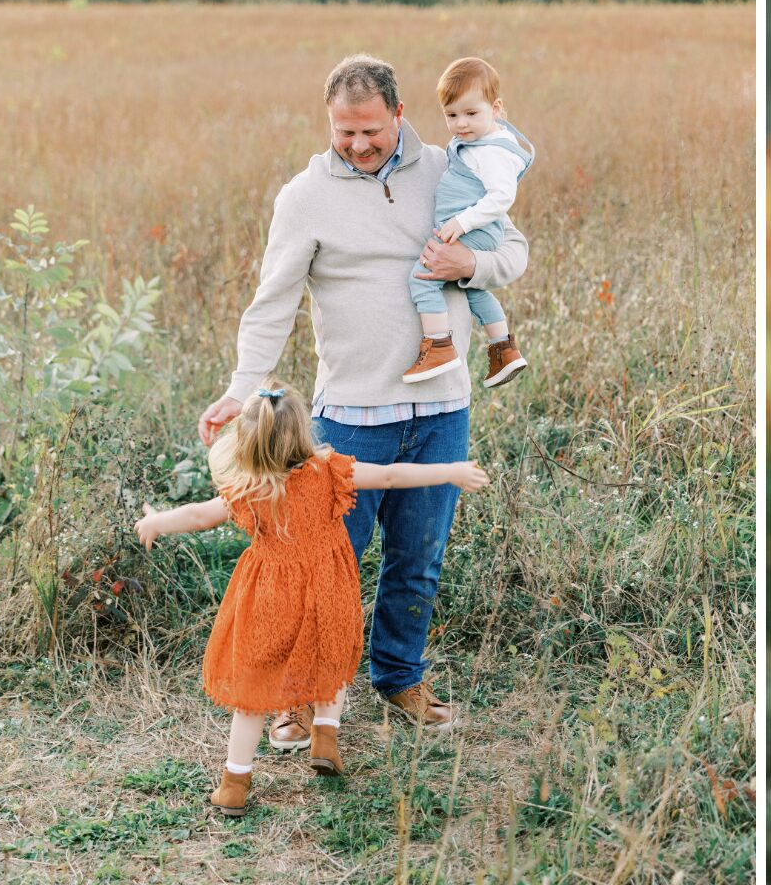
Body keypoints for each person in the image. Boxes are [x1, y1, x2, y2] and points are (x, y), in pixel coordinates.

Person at [197, 53, 527, 747]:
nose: (357, 144)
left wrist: (473, 265)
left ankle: (400, 675)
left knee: (420, 554)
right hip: (349, 414)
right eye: (344, 132)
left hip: (442, 408)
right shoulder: (304, 197)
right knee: (318, 563)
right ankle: (300, 694)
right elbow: (272, 303)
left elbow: (513, 249)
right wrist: (239, 388)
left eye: (371, 130)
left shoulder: (448, 167)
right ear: (330, 123)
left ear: (399, 115)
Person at [137, 381, 490, 816]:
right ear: (306, 433)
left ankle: (234, 782)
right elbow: (392, 476)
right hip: (328, 587)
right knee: (334, 657)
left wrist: (157, 522)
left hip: (268, 597)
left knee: (255, 691)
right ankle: (325, 736)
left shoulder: (249, 488)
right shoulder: (331, 471)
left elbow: (198, 516)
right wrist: (450, 471)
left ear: (247, 442)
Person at [401, 56, 534, 389]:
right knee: (473, 289)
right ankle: (503, 348)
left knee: (422, 278)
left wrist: (462, 222)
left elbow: (502, 196)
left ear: (496, 108)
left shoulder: (490, 151)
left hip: (474, 231)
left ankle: (438, 346)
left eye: (471, 114)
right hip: (473, 230)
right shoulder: (473, 144)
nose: (461, 124)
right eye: (451, 115)